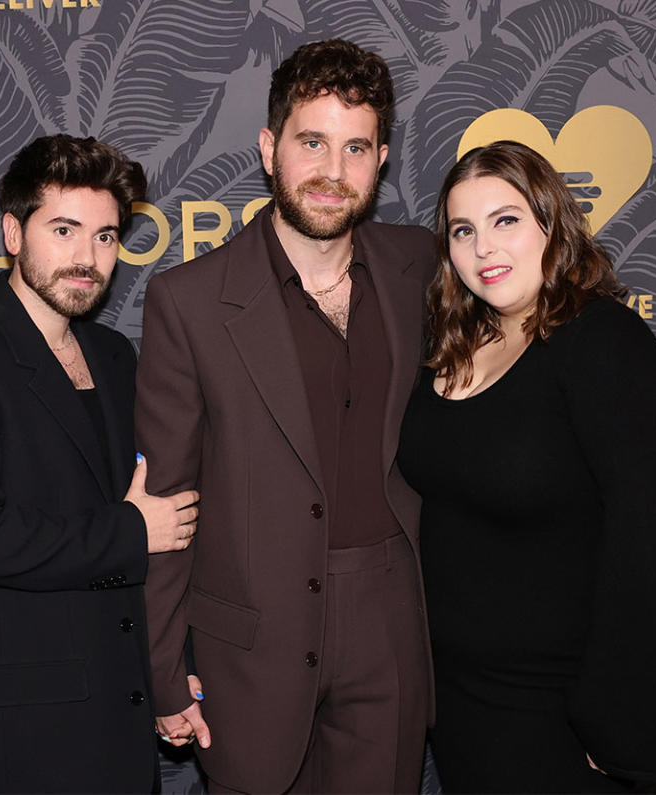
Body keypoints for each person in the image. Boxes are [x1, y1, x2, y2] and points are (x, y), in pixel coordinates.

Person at [397, 141, 656, 793]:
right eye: (463, 229)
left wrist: (620, 723)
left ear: (550, 223)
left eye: (506, 219)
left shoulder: (604, 344)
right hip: (459, 703)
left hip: (564, 716)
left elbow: (653, 541)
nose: (484, 248)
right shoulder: (452, 346)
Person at [135, 39, 435, 794]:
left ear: (381, 158)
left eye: (355, 147)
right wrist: (164, 668)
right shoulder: (191, 301)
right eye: (312, 142)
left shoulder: (422, 268)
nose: (334, 172)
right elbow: (166, 504)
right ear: (270, 149)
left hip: (390, 617)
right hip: (251, 639)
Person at [0, 134, 201, 793]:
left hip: (119, 723)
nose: (87, 258)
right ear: (13, 230)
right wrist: (132, 531)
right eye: (64, 229)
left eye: (105, 236)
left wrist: (167, 674)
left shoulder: (115, 356)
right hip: (21, 739)